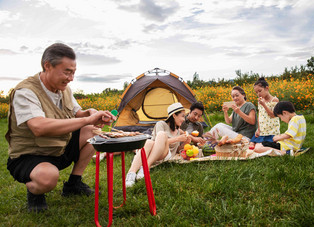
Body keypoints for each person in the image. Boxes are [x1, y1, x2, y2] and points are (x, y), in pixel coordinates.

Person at [5, 43, 116, 212]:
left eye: (73, 72)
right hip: (30, 155)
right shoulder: (26, 91)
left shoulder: (64, 89)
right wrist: (88, 120)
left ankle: (73, 184)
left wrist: (91, 114)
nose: (71, 78)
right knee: (48, 178)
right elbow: (39, 127)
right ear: (47, 66)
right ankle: (36, 191)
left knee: (93, 131)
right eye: (67, 72)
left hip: (58, 149)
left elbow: (78, 113)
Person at [125, 102, 190, 187]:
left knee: (159, 136)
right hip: (153, 151)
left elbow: (177, 149)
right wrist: (177, 139)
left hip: (166, 154)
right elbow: (158, 142)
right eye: (182, 116)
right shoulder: (161, 124)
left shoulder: (179, 131)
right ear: (174, 115)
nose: (184, 119)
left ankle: (145, 167)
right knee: (150, 141)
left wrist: (185, 142)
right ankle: (131, 174)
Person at [249, 78, 280, 149]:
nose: (258, 94)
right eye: (256, 92)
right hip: (262, 129)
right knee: (252, 141)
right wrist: (259, 129)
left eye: (260, 91)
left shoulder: (274, 100)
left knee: (263, 144)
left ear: (267, 88)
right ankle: (256, 144)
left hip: (271, 130)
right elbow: (260, 116)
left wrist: (264, 104)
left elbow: (273, 115)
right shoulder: (260, 101)